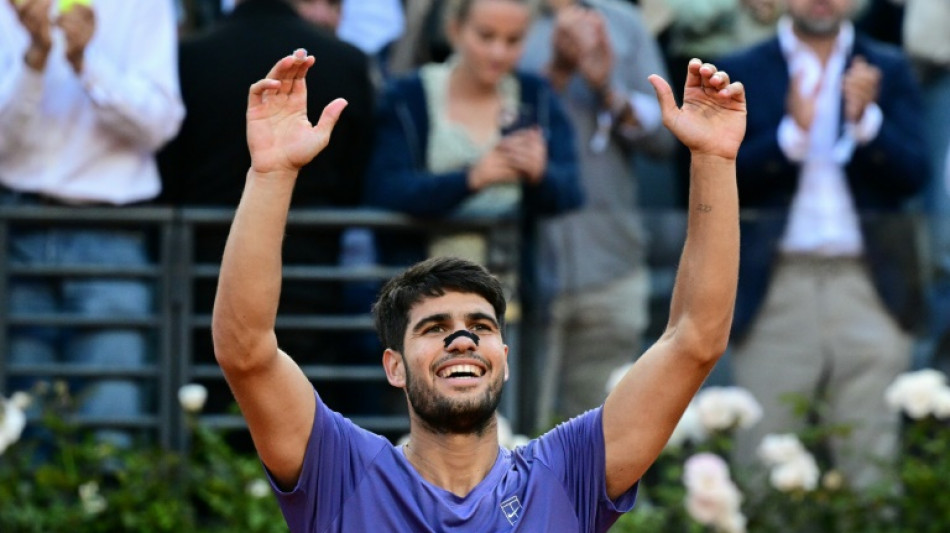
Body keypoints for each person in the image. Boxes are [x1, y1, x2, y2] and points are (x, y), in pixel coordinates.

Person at [212, 48, 745, 531]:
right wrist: (271, 173)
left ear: (504, 358)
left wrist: (715, 161)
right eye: (434, 328)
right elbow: (246, 350)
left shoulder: (567, 473)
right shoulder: (341, 472)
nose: (461, 339)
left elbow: (694, 339)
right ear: (393, 365)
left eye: (480, 326)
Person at [716, 0, 929, 489]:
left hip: (869, 284)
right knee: (763, 461)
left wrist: (867, 122)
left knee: (872, 465)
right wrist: (793, 133)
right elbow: (712, 178)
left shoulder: (889, 67)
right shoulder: (743, 68)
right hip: (774, 283)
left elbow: (915, 175)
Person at [157, 0, 374, 397]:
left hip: (206, 272)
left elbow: (167, 176)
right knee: (309, 426)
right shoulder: (347, 61)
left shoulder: (189, 58)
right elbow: (356, 179)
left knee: (212, 409)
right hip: (313, 276)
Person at [0, 0, 184, 444]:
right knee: (22, 436)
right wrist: (35, 59)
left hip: (112, 233)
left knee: (113, 426)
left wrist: (87, 62)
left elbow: (161, 123)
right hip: (18, 229)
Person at [518, 0, 675, 428]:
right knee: (508, 433)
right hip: (516, 273)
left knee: (596, 438)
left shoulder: (622, 22)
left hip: (611, 265)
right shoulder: (500, 15)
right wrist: (558, 74)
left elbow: (666, 138)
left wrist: (607, 89)